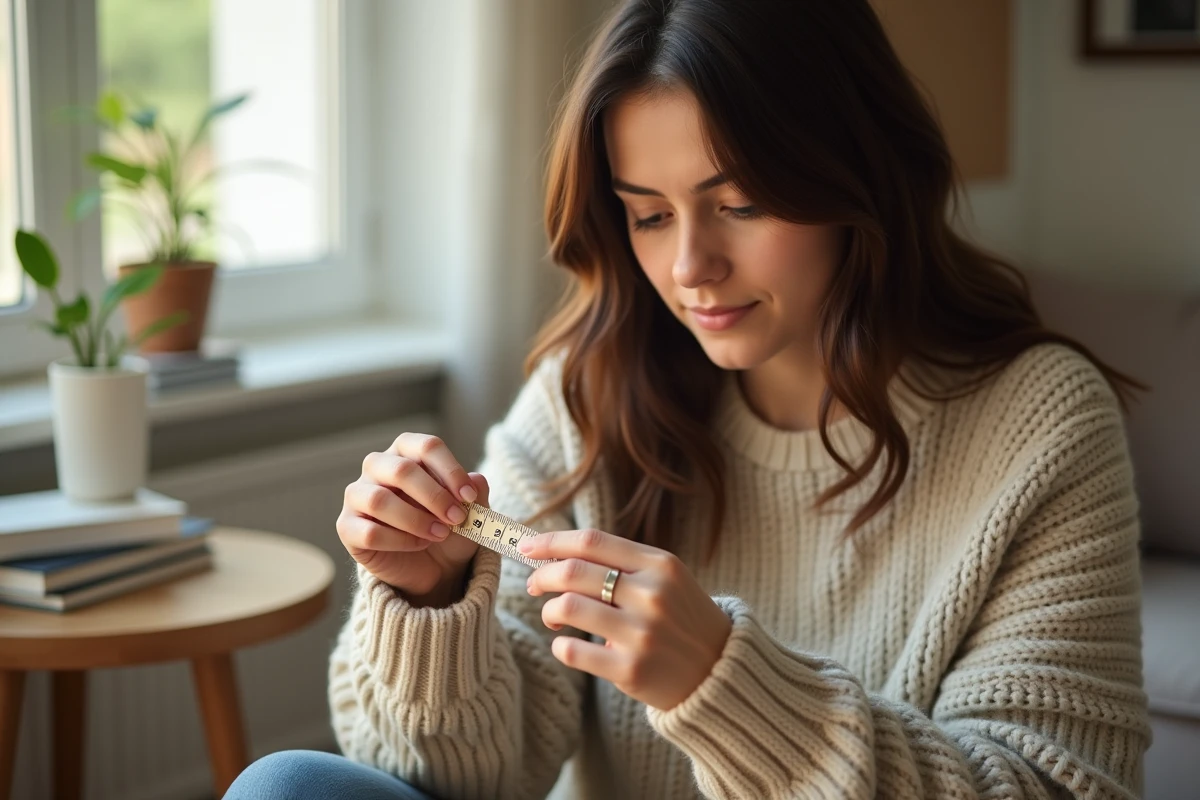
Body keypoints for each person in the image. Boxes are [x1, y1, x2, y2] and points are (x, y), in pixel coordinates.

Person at [225, 1, 1150, 798]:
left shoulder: (1041, 423)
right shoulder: (590, 395)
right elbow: (459, 780)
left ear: (856, 176)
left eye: (740, 203)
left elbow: (1052, 784)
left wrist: (723, 684)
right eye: (649, 214)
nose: (690, 269)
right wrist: (426, 599)